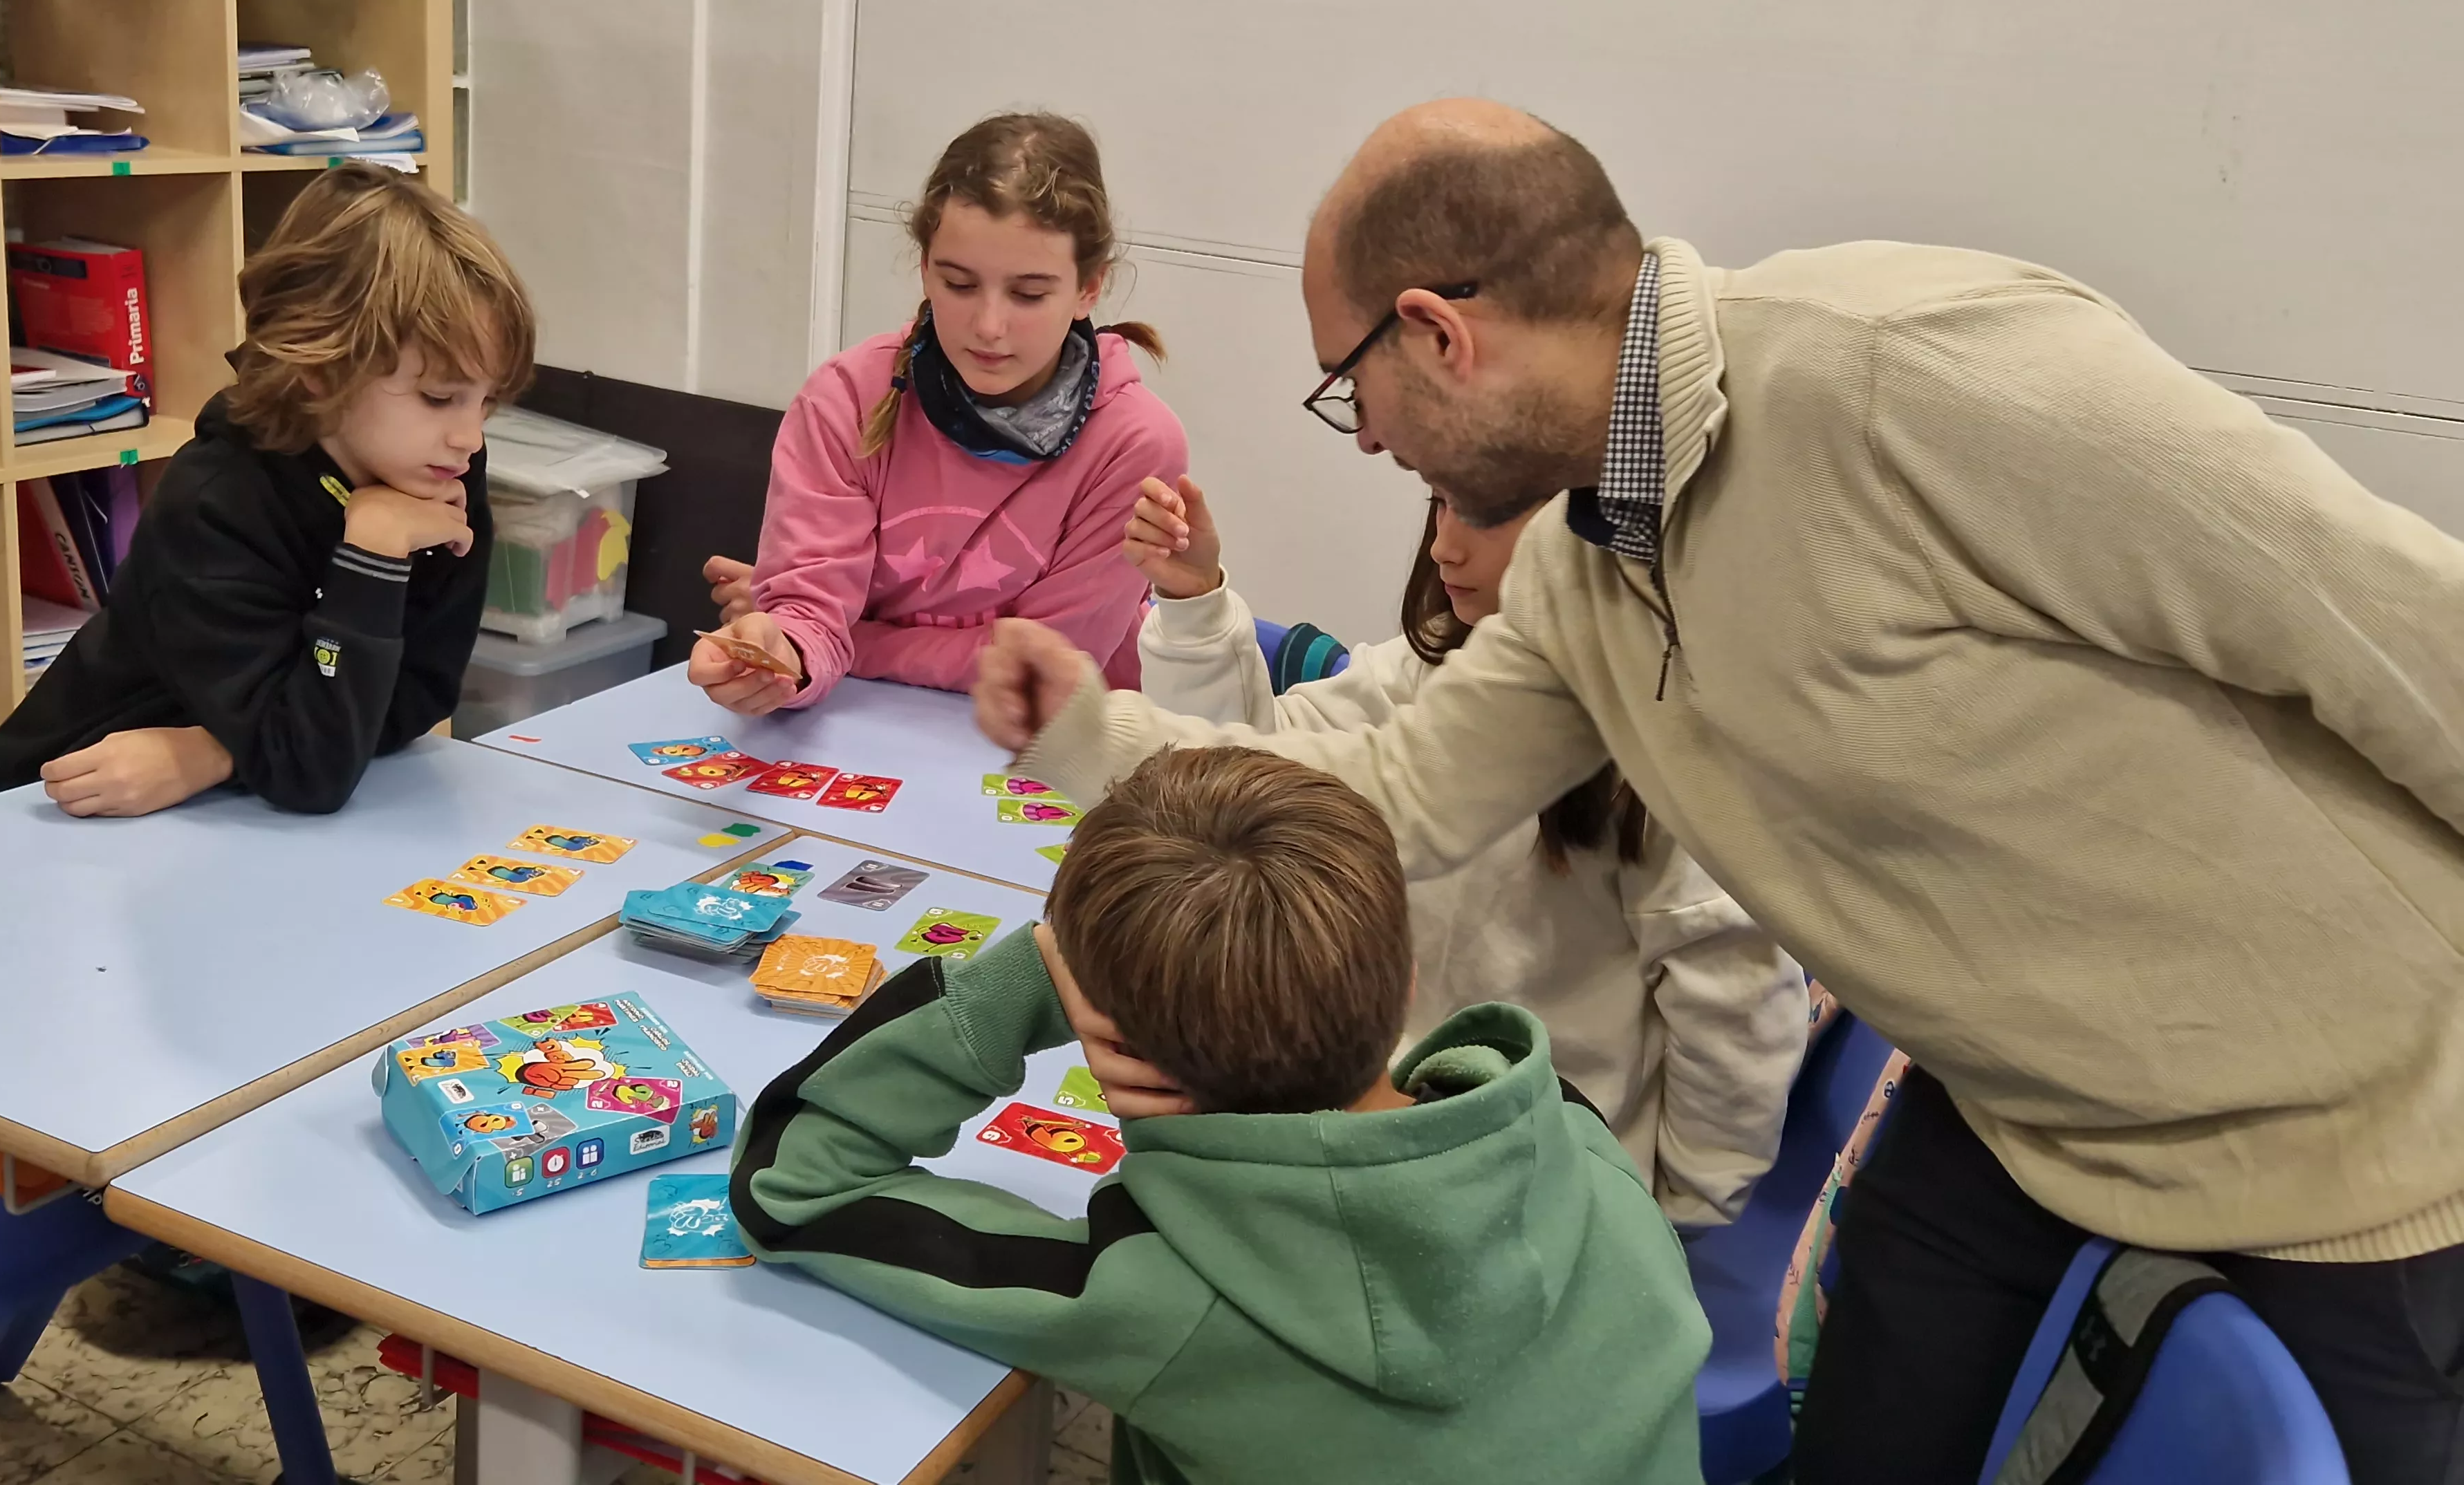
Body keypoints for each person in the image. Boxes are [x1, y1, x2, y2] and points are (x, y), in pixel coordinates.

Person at [973, 100, 2464, 1484]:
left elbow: (2402, 632)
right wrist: (1091, 736)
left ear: (1434, 336)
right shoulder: (1581, 564)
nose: (1363, 438)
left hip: (2350, 1138)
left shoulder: (1916, 372)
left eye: (1348, 386)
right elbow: (1390, 792)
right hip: (2017, 1107)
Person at [732, 745, 1707, 1484]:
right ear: (1408, 980)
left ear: (1115, 1043)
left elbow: (793, 1183)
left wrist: (1035, 971)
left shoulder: (1151, 1298)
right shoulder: (1575, 1137)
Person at [1122, 472, 1804, 1227]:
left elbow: (1737, 1019)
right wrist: (1192, 604)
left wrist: (1668, 1218)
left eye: (1485, 513)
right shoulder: (1428, 670)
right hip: (1376, 1135)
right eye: (1439, 504)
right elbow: (1238, 779)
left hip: (1541, 1184)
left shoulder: (1683, 763)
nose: (1444, 544)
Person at [0, 163, 534, 816]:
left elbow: (419, 694)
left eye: (487, 401)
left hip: (232, 801)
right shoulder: (215, 502)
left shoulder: (436, 467)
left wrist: (214, 755)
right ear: (322, 373)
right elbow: (313, 775)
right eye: (441, 397)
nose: (469, 437)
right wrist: (372, 559)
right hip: (81, 797)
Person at [689, 112, 1187, 716]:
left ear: (1089, 288)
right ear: (925, 267)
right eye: (958, 284)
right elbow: (808, 616)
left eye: (1030, 294)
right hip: (867, 729)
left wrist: (853, 641)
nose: (989, 326)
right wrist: (783, 650)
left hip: (1053, 752)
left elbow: (1044, 667)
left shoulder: (1135, 442)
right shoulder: (844, 398)